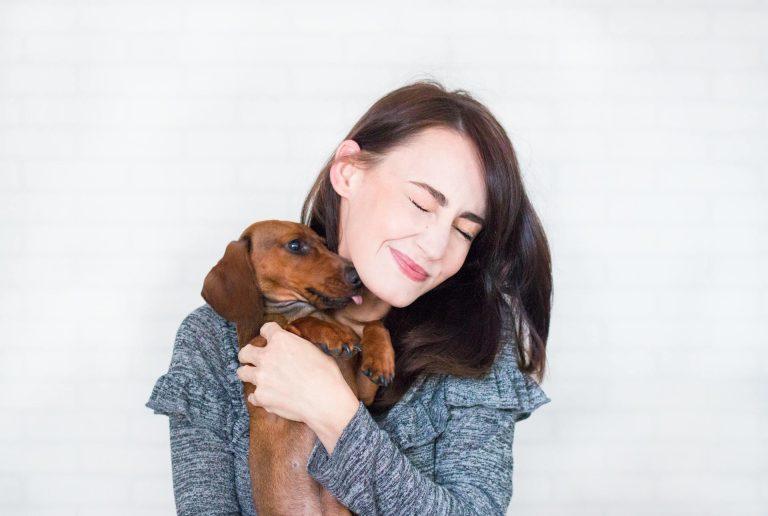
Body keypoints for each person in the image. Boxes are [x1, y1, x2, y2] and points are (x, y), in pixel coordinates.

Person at [146, 79, 552, 515]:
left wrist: (332, 410)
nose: (436, 246)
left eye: (463, 230)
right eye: (421, 202)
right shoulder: (211, 340)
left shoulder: (480, 341)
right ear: (349, 172)